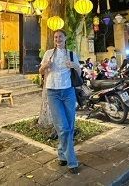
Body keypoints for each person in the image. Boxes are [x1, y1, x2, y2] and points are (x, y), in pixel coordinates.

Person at [39, 29, 80, 174]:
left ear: (65, 38)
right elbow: (40, 71)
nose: (58, 39)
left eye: (60, 36)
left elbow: (79, 72)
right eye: (56, 37)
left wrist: (73, 65)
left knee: (70, 125)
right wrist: (46, 66)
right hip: (53, 92)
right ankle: (72, 161)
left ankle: (62, 154)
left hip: (68, 91)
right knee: (62, 127)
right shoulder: (48, 53)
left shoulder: (71, 54)